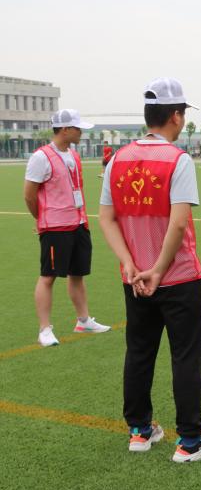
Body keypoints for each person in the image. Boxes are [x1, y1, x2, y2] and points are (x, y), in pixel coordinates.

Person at [97, 78, 201, 461]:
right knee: (185, 357)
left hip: (134, 279)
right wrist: (157, 269)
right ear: (175, 115)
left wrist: (130, 264)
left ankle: (139, 431)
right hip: (179, 278)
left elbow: (106, 218)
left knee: (139, 353)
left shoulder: (117, 160)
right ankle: (190, 441)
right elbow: (178, 222)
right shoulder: (178, 160)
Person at [24, 109, 110, 347]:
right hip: (55, 227)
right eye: (77, 128)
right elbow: (29, 195)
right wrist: (41, 219)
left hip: (79, 223)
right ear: (65, 130)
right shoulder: (41, 157)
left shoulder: (74, 155)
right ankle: (44, 329)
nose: (81, 132)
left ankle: (83, 320)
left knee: (77, 274)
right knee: (48, 276)